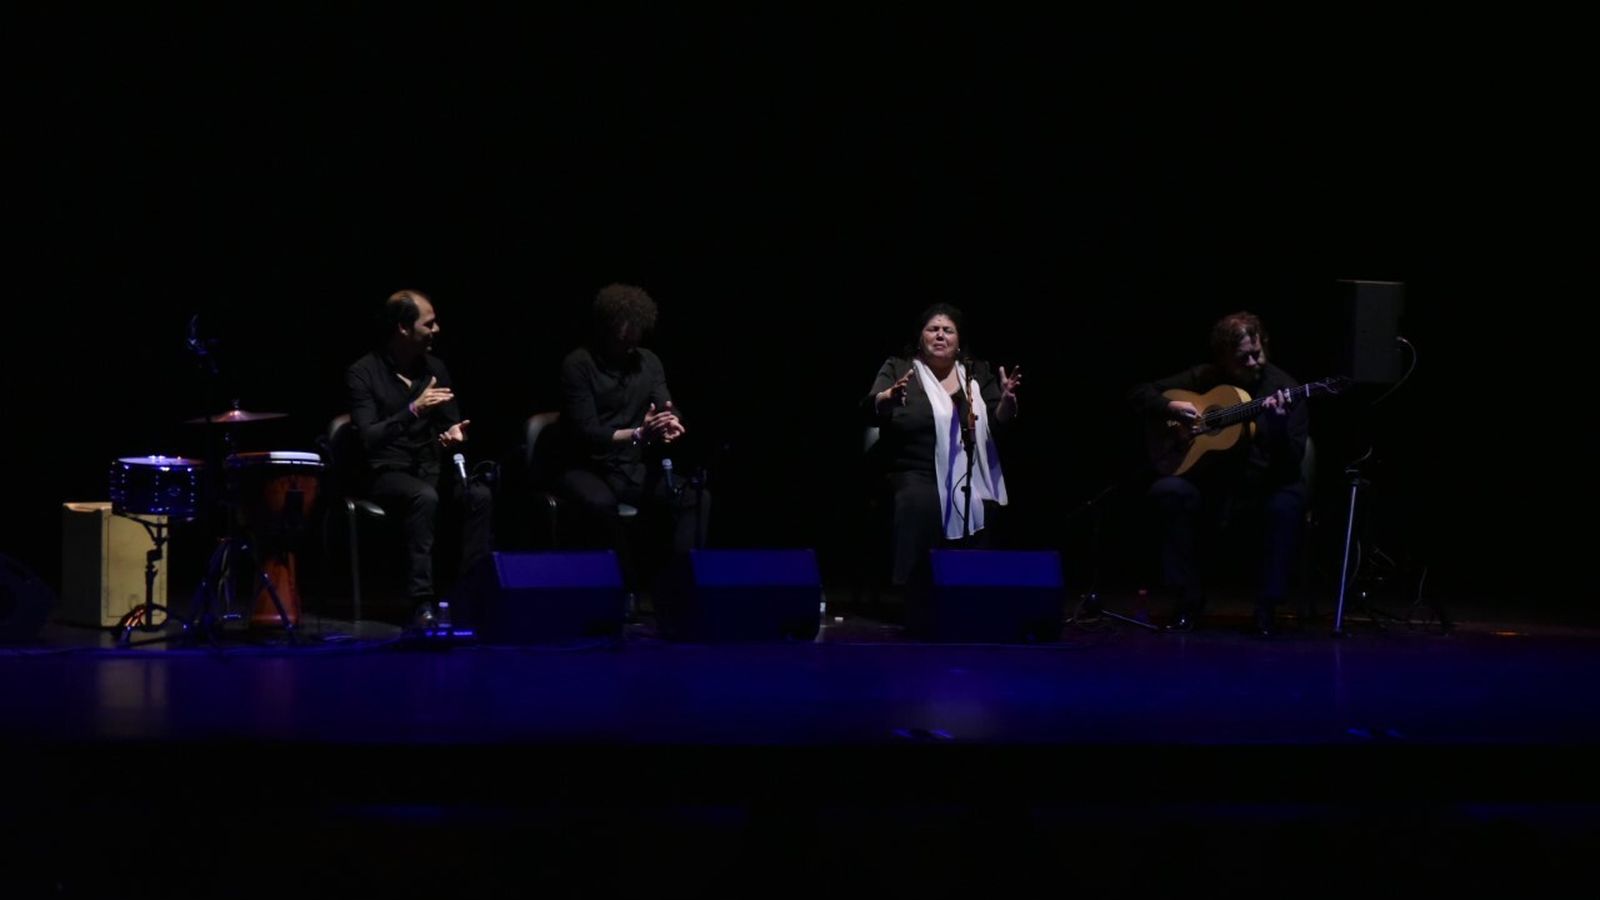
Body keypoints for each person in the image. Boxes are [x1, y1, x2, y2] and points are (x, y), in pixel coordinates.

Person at [1128, 310, 1309, 635]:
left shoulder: (1285, 389)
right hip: (1212, 484)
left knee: (1289, 501)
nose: (1254, 362)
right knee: (1168, 490)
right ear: (1224, 358)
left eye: (1258, 352)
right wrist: (1170, 408)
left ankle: (1266, 608)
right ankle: (1188, 601)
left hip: (1261, 487)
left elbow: (1292, 460)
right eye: (1244, 358)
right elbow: (1140, 392)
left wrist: (1278, 429)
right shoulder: (1205, 377)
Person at [345, 289, 493, 622]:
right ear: (403, 328)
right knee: (423, 497)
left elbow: (450, 421)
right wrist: (412, 410)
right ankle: (421, 603)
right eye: (429, 323)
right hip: (384, 471)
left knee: (477, 494)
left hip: (428, 464)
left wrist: (455, 434)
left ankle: (471, 594)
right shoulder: (363, 373)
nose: (436, 329)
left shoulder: (435, 368)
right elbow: (369, 438)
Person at [557, 283, 708, 591]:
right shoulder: (578, 365)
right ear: (605, 329)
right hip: (586, 466)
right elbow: (587, 431)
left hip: (629, 468)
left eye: (633, 338)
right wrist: (637, 434)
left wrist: (670, 424)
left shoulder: (648, 362)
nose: (627, 345)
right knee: (600, 504)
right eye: (620, 339)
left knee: (694, 497)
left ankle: (683, 587)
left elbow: (666, 404)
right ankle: (621, 590)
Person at [861, 303, 1021, 593]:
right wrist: (888, 398)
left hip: (969, 470)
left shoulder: (976, 373)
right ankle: (913, 590)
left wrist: (1008, 402)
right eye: (932, 329)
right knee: (920, 502)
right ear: (920, 337)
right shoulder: (899, 367)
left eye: (948, 330)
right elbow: (871, 408)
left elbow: (998, 423)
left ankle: (972, 589)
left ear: (959, 342)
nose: (940, 335)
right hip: (913, 469)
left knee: (985, 504)